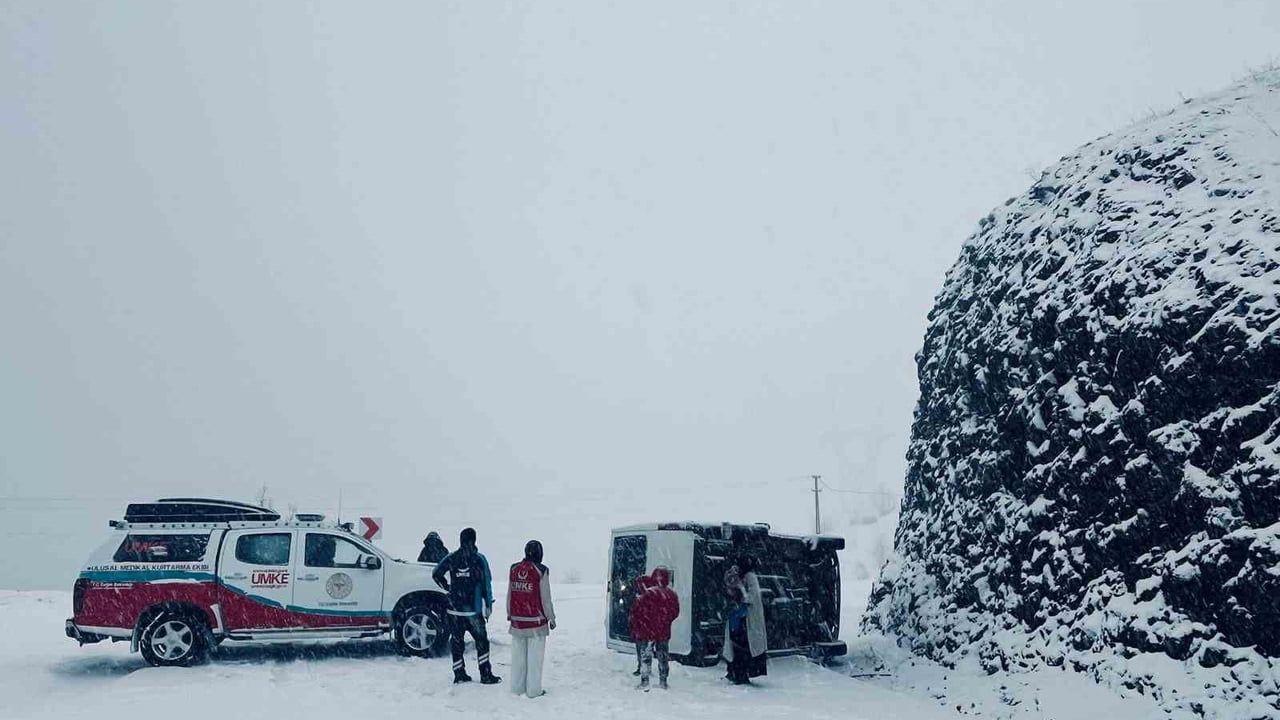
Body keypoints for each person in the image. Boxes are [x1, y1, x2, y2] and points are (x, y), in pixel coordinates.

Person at [432, 527, 500, 685]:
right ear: (474, 540)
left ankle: (459, 674)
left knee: (457, 642)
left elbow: (436, 573)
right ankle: (485, 674)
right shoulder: (479, 559)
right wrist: (488, 604)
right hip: (473, 611)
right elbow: (486, 583)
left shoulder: (452, 557)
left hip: (454, 610)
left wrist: (448, 588)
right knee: (482, 642)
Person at [507, 540, 556, 698]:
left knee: (518, 659)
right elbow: (545, 598)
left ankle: (517, 688)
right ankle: (534, 691)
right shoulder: (541, 570)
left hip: (517, 622)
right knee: (535, 660)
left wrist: (510, 613)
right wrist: (551, 618)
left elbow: (510, 594)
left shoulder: (514, 569)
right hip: (536, 623)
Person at [629, 567, 680, 691]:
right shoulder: (672, 594)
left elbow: (637, 611)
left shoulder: (648, 593)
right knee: (663, 656)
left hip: (648, 631)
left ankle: (644, 681)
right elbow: (675, 612)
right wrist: (665, 621)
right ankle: (663, 681)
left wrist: (641, 624)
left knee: (646, 656)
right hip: (664, 631)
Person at [723, 555, 767, 685]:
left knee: (741, 647)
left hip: (745, 620)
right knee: (738, 646)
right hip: (740, 619)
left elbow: (751, 597)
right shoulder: (743, 575)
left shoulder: (749, 577)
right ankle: (736, 672)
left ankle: (739, 673)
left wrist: (740, 588)